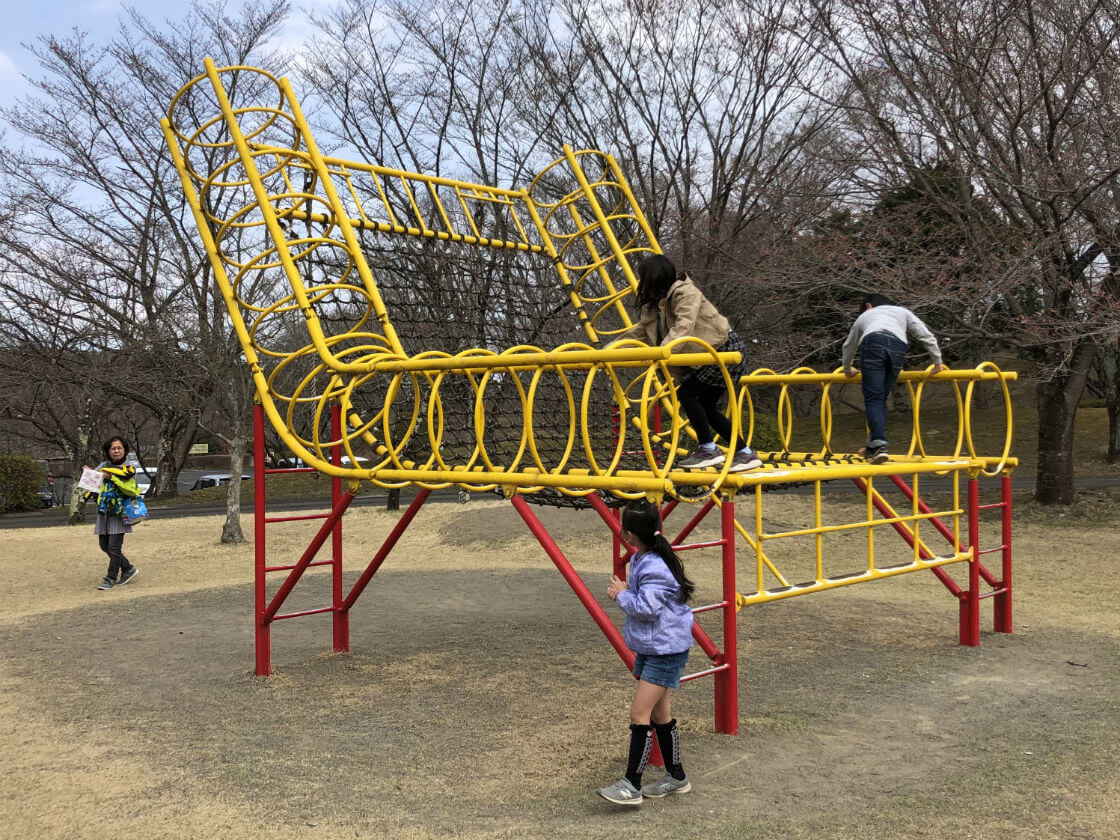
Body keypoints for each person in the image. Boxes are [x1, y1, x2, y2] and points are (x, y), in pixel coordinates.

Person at [616, 254, 762, 472]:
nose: (641, 283)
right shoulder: (656, 305)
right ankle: (744, 453)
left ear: (654, 277)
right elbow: (639, 332)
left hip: (723, 349)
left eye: (643, 277)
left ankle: (709, 448)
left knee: (687, 394)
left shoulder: (685, 293)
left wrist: (662, 351)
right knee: (706, 406)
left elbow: (684, 326)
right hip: (708, 354)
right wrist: (609, 351)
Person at [596, 500, 695, 807]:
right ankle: (677, 777)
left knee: (639, 714)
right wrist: (627, 589)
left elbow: (646, 609)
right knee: (659, 714)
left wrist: (622, 594)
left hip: (665, 649)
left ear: (628, 535)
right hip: (656, 645)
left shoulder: (653, 565)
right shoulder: (644, 556)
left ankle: (631, 785)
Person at [841, 294, 947, 463]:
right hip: (899, 346)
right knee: (881, 397)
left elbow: (849, 345)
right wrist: (937, 362)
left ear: (869, 306)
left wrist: (846, 368)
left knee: (874, 398)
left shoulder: (865, 316)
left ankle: (879, 445)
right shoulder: (902, 312)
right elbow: (926, 336)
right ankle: (873, 445)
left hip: (873, 342)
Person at [90, 435, 142, 591]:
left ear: (125, 449)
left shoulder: (129, 467)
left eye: (119, 448)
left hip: (121, 512)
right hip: (105, 511)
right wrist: (89, 474)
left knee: (114, 547)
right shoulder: (103, 465)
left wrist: (111, 477)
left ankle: (110, 578)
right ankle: (128, 568)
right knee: (104, 545)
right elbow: (93, 483)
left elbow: (129, 488)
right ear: (108, 451)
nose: (116, 451)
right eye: (113, 448)